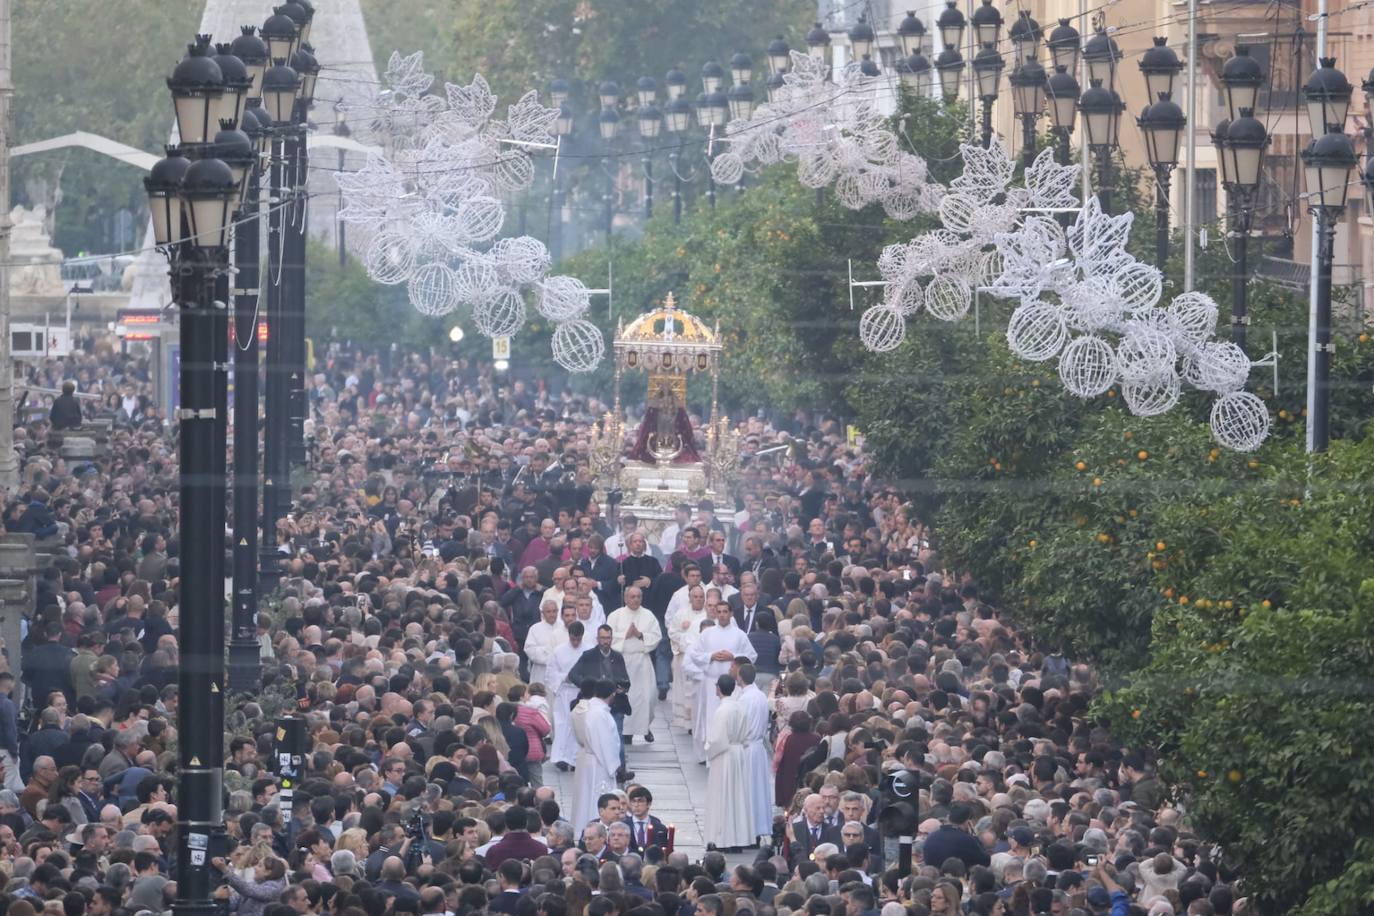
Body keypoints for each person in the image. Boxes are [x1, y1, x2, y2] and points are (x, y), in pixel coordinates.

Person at [685, 603, 756, 763]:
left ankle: (729, 750)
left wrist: (733, 656)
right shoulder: (707, 634)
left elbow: (751, 656)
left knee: (729, 718)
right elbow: (694, 654)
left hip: (733, 684)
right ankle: (710, 754)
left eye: (725, 612)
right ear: (715, 614)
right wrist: (710, 656)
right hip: (711, 684)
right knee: (711, 718)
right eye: (719, 612)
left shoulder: (739, 635)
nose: (722, 615)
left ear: (731, 613)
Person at [702, 675, 752, 852]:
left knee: (723, 797)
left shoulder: (722, 710)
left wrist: (708, 749)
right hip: (737, 753)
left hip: (724, 756)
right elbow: (746, 734)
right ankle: (736, 838)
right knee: (737, 798)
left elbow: (718, 740)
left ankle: (722, 838)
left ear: (718, 689)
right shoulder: (740, 707)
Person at [606, 586, 662, 744]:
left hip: (642, 661)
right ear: (625, 598)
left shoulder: (648, 615)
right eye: (632, 596)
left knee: (648, 698)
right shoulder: (615, 615)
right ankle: (627, 732)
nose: (636, 599)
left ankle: (645, 727)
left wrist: (639, 635)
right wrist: (625, 635)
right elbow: (606, 636)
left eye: (638, 596)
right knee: (627, 697)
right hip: (622, 662)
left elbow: (656, 636)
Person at [570, 680, 621, 833]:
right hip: (600, 762)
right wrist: (613, 765)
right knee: (595, 798)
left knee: (585, 798)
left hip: (588, 758)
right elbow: (604, 742)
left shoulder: (590, 709)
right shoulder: (598, 713)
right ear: (612, 694)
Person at [734, 663, 773, 842]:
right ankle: (757, 829)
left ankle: (749, 830)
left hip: (748, 748)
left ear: (740, 677)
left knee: (748, 792)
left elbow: (740, 726)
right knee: (758, 791)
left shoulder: (744, 699)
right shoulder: (760, 696)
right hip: (758, 748)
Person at [547, 621, 591, 771]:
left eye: (578, 639)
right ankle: (560, 757)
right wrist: (563, 678)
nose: (576, 642)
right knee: (562, 725)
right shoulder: (559, 651)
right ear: (569, 635)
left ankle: (576, 757)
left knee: (578, 726)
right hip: (564, 692)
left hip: (581, 693)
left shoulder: (589, 650)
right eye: (573, 639)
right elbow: (551, 672)